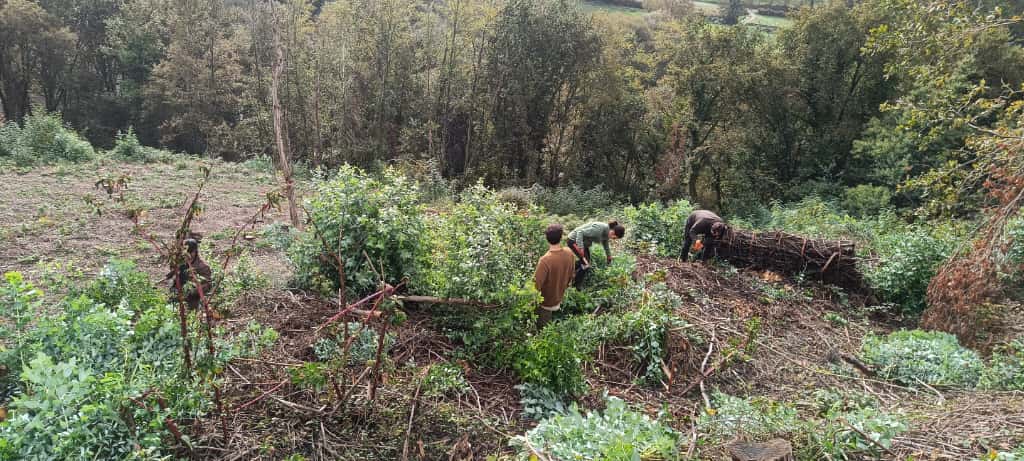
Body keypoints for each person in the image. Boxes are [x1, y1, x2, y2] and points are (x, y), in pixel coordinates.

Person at [533, 224, 576, 328]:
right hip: (559, 296)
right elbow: (572, 274)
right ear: (561, 237)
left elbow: (535, 286)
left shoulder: (545, 260)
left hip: (546, 302)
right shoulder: (569, 253)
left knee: (543, 329)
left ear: (546, 239)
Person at [567, 220, 626, 288]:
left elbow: (605, 244)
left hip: (583, 244)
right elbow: (580, 233)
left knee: (585, 263)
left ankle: (568, 270)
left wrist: (609, 256)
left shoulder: (606, 233)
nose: (613, 239)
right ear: (612, 232)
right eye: (614, 238)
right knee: (586, 265)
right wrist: (580, 248)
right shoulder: (598, 230)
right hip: (573, 240)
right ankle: (575, 285)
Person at [168, 238, 213, 309]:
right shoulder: (180, 262)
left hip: (192, 300)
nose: (188, 255)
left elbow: (207, 285)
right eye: (186, 252)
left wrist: (191, 291)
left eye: (190, 252)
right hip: (176, 296)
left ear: (195, 251)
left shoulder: (202, 266)